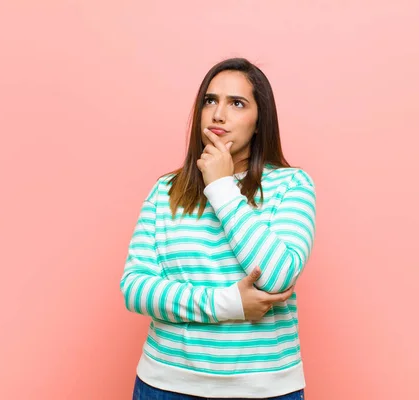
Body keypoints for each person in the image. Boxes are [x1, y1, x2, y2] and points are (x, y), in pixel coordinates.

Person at [120, 57, 316, 399]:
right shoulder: (165, 190)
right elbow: (135, 289)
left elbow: (278, 275)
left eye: (237, 103)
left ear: (259, 122)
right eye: (210, 100)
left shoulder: (292, 185)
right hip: (166, 386)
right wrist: (227, 304)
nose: (218, 114)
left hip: (265, 390)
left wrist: (222, 187)